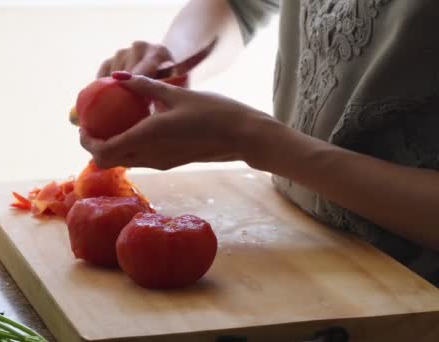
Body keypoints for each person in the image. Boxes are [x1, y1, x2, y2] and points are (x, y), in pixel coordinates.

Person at [79, 0, 439, 286]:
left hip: (418, 293)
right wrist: (170, 61)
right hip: (307, 252)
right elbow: (240, 5)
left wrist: (256, 141)